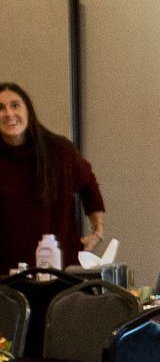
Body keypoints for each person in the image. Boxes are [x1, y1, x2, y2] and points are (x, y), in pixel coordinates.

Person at [0, 82, 105, 269]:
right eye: (0, 108)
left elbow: (89, 184)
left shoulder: (59, 151)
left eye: (15, 105)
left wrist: (97, 230)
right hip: (6, 278)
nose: (9, 114)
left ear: (28, 111)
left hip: (61, 272)